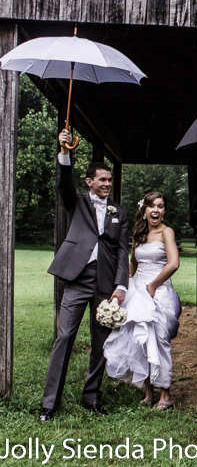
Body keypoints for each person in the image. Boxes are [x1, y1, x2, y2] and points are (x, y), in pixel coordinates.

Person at [39, 129, 129, 422]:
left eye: (109, 180)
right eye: (102, 180)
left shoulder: (120, 212)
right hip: (77, 279)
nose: (107, 184)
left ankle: (91, 397)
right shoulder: (76, 202)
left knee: (101, 343)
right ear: (89, 182)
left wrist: (120, 286)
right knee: (64, 337)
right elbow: (64, 183)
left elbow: (121, 251)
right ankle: (49, 404)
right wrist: (65, 152)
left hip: (105, 282)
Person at [103, 191, 182, 410]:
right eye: (152, 206)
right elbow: (133, 264)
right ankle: (148, 392)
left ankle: (165, 393)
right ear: (144, 209)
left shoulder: (167, 232)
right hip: (138, 289)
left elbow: (173, 263)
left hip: (159, 290)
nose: (156, 210)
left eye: (160, 206)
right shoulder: (138, 233)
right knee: (139, 339)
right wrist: (120, 282)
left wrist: (153, 285)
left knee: (159, 337)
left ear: (164, 210)